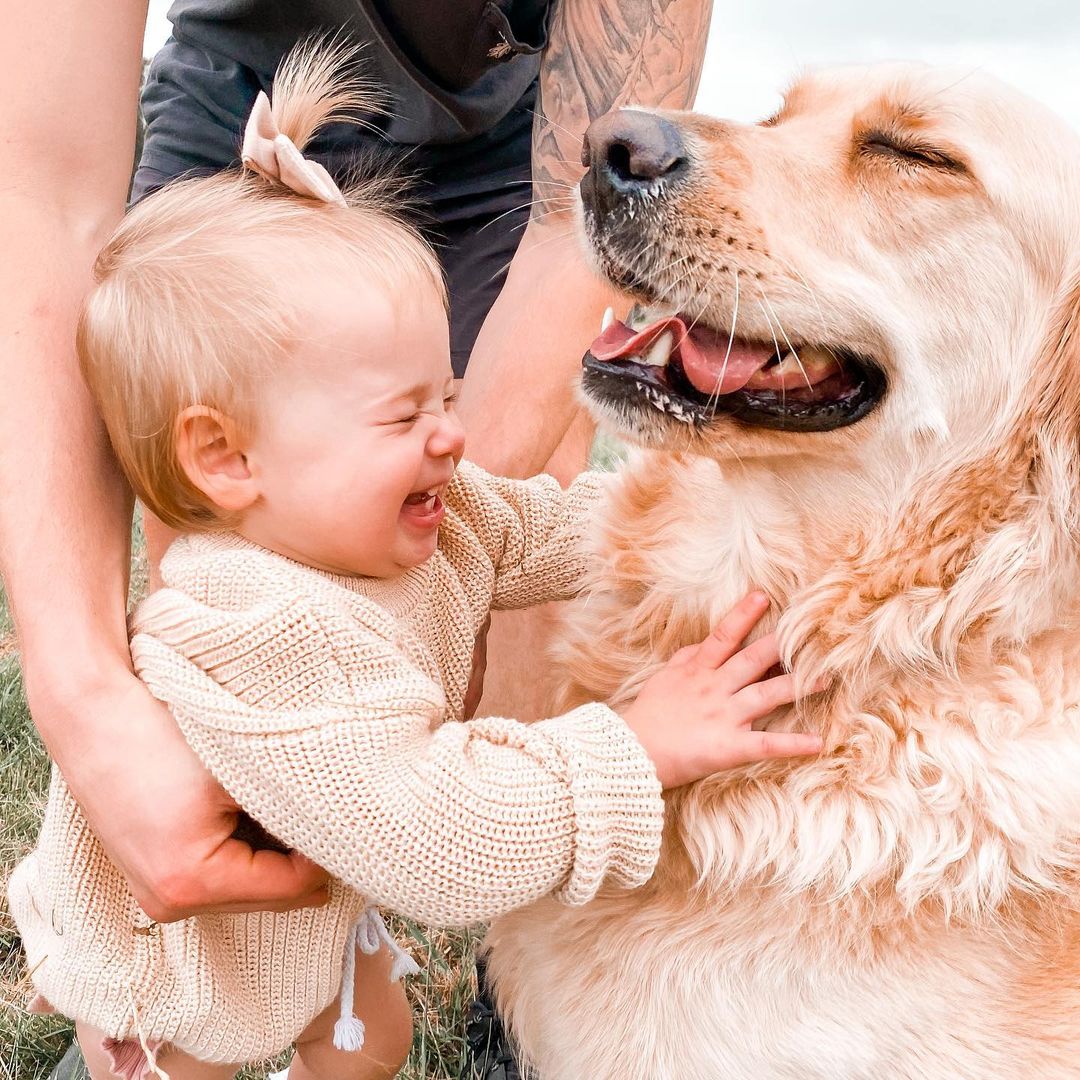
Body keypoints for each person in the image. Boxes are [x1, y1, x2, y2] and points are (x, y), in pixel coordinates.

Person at [8, 48, 821, 1080]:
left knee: (369, 1042)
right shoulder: (254, 627)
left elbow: (572, 530)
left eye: (443, 394)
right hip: (193, 976)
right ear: (227, 458)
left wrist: (726, 513)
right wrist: (636, 745)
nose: (450, 436)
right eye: (404, 415)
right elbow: (440, 838)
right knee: (216, 1054)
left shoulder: (421, 516)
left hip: (313, 919)